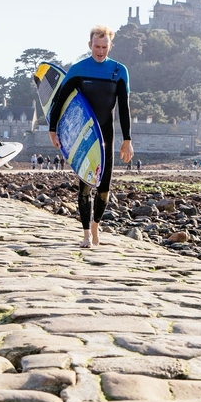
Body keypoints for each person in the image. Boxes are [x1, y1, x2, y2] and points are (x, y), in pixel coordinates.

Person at [49, 24, 133, 247]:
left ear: (110, 46)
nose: (100, 50)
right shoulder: (78, 70)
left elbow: (124, 108)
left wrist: (127, 140)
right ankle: (86, 234)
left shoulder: (119, 71)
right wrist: (53, 130)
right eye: (97, 46)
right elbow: (60, 102)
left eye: (105, 46)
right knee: (86, 183)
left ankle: (96, 227)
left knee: (104, 186)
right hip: (85, 136)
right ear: (90, 45)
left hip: (107, 134)